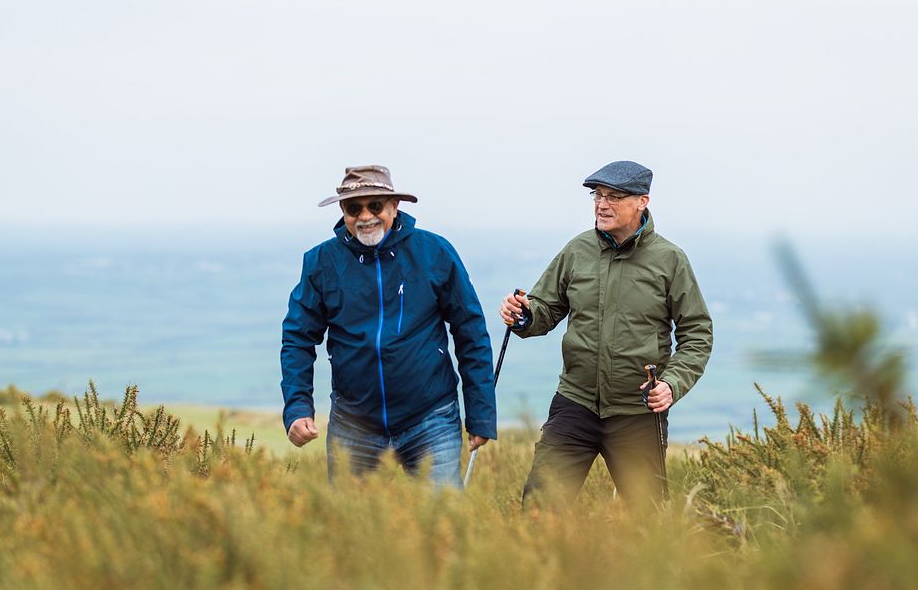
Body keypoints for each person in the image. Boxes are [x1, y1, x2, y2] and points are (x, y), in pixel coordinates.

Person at [499, 160, 712, 508]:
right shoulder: (577, 250)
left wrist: (672, 384)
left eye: (614, 196)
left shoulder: (670, 260)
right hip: (575, 404)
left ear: (642, 201)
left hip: (638, 413)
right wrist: (523, 315)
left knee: (648, 524)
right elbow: (545, 309)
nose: (601, 204)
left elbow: (697, 332)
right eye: (597, 195)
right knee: (539, 510)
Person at [281, 165, 496, 488]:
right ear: (343, 212)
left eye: (375, 206)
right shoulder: (320, 262)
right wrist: (298, 408)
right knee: (352, 531)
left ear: (395, 206)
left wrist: (480, 414)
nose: (365, 216)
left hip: (431, 418)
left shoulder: (435, 252)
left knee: (442, 530)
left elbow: (471, 333)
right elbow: (298, 338)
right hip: (353, 424)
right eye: (355, 208)